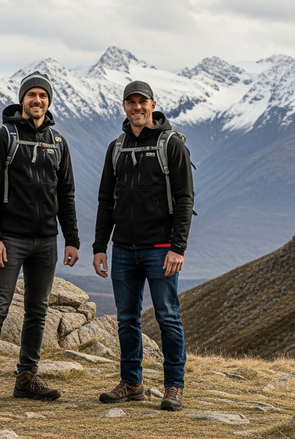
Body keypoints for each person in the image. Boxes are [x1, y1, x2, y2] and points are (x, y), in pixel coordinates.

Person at [0, 71, 80, 408]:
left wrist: (72, 239)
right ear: (22, 100)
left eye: (43, 96)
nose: (37, 100)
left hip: (46, 241)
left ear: (49, 102)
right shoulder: (2, 138)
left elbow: (66, 194)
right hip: (9, 240)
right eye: (32, 95)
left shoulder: (58, 142)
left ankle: (26, 379)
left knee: (38, 311)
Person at [92, 80, 194, 411]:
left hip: (161, 249)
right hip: (123, 248)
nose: (137, 107)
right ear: (124, 107)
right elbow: (105, 200)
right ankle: (131, 382)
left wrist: (178, 247)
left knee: (167, 317)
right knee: (127, 319)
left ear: (153, 104)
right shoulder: (116, 148)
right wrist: (99, 246)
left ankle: (174, 386)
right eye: (131, 102)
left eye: (142, 101)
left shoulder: (171, 144)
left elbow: (185, 198)